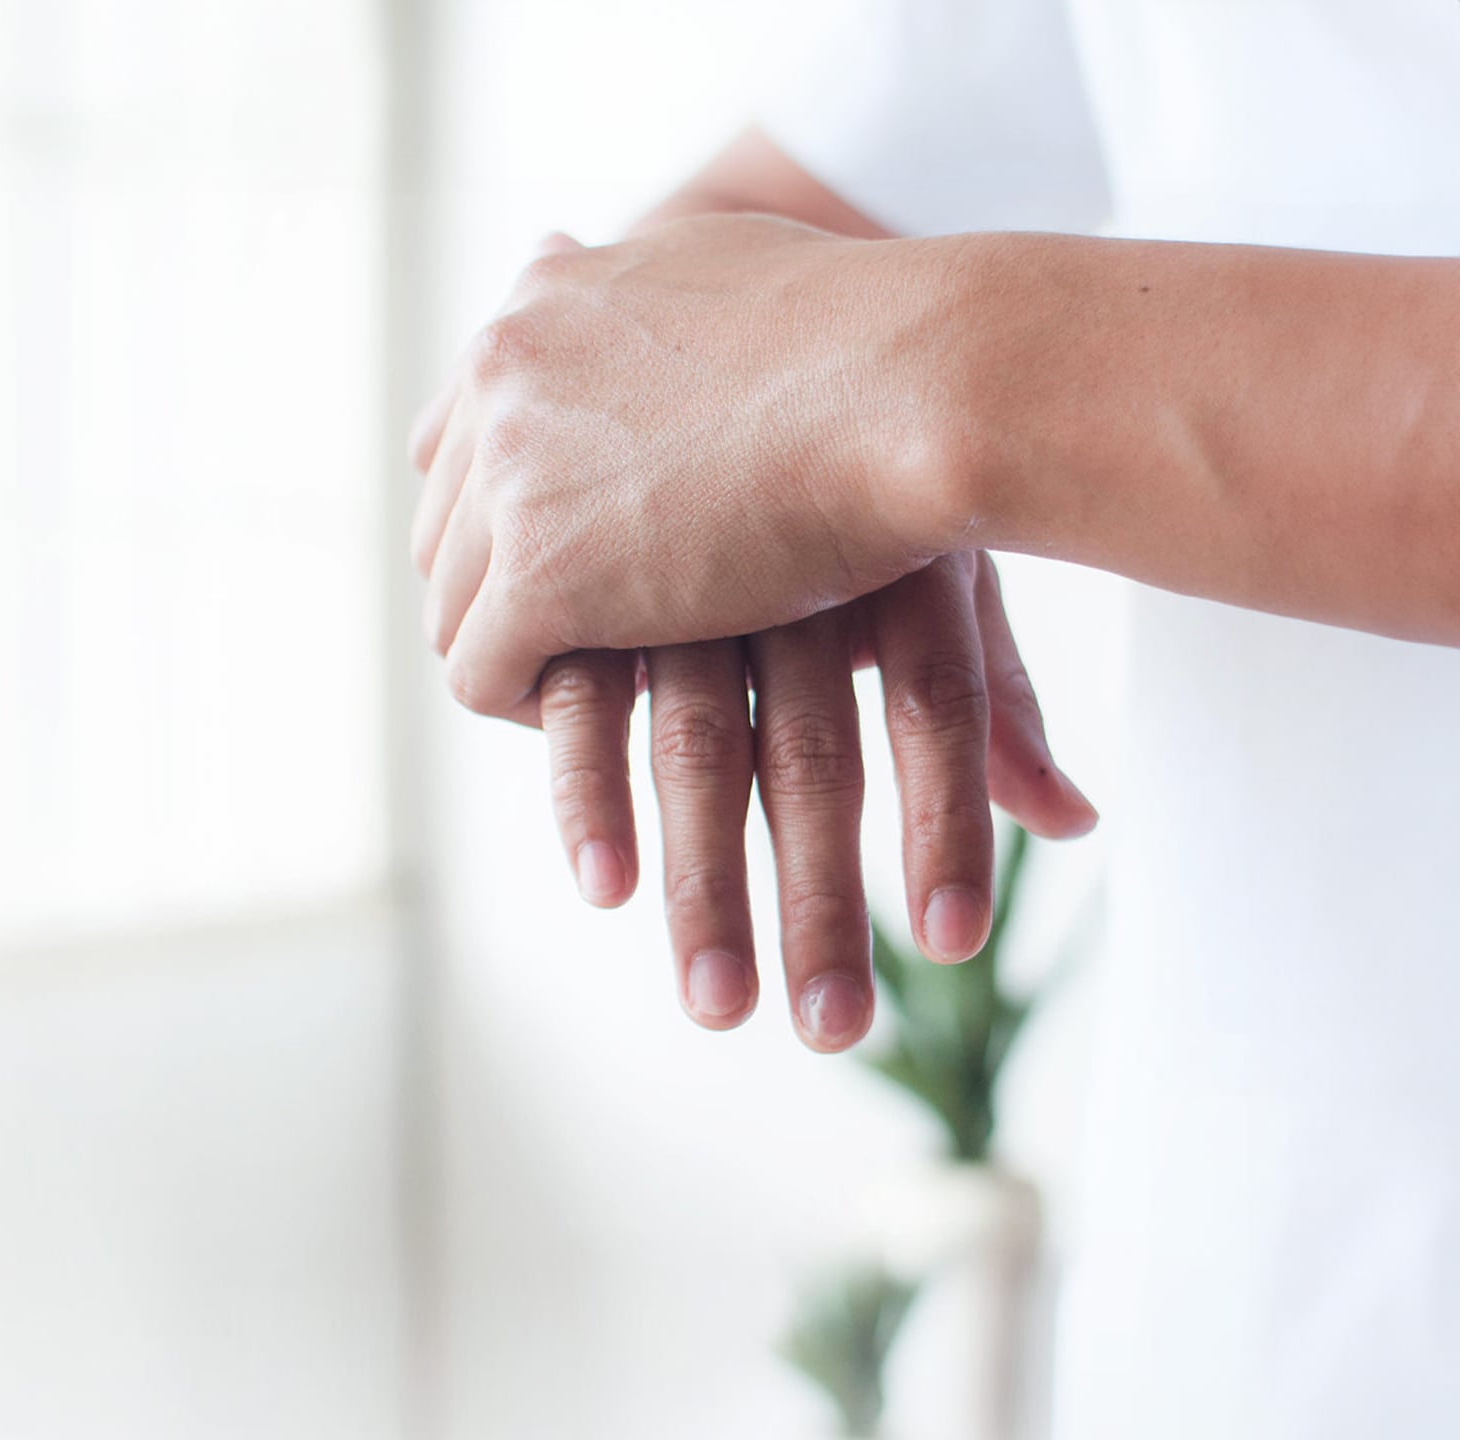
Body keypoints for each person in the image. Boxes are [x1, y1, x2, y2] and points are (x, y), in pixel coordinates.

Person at [408, 0, 1460, 1432]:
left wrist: (934, 381)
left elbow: (855, 349)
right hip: (1239, 1322)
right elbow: (724, 274)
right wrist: (758, 425)